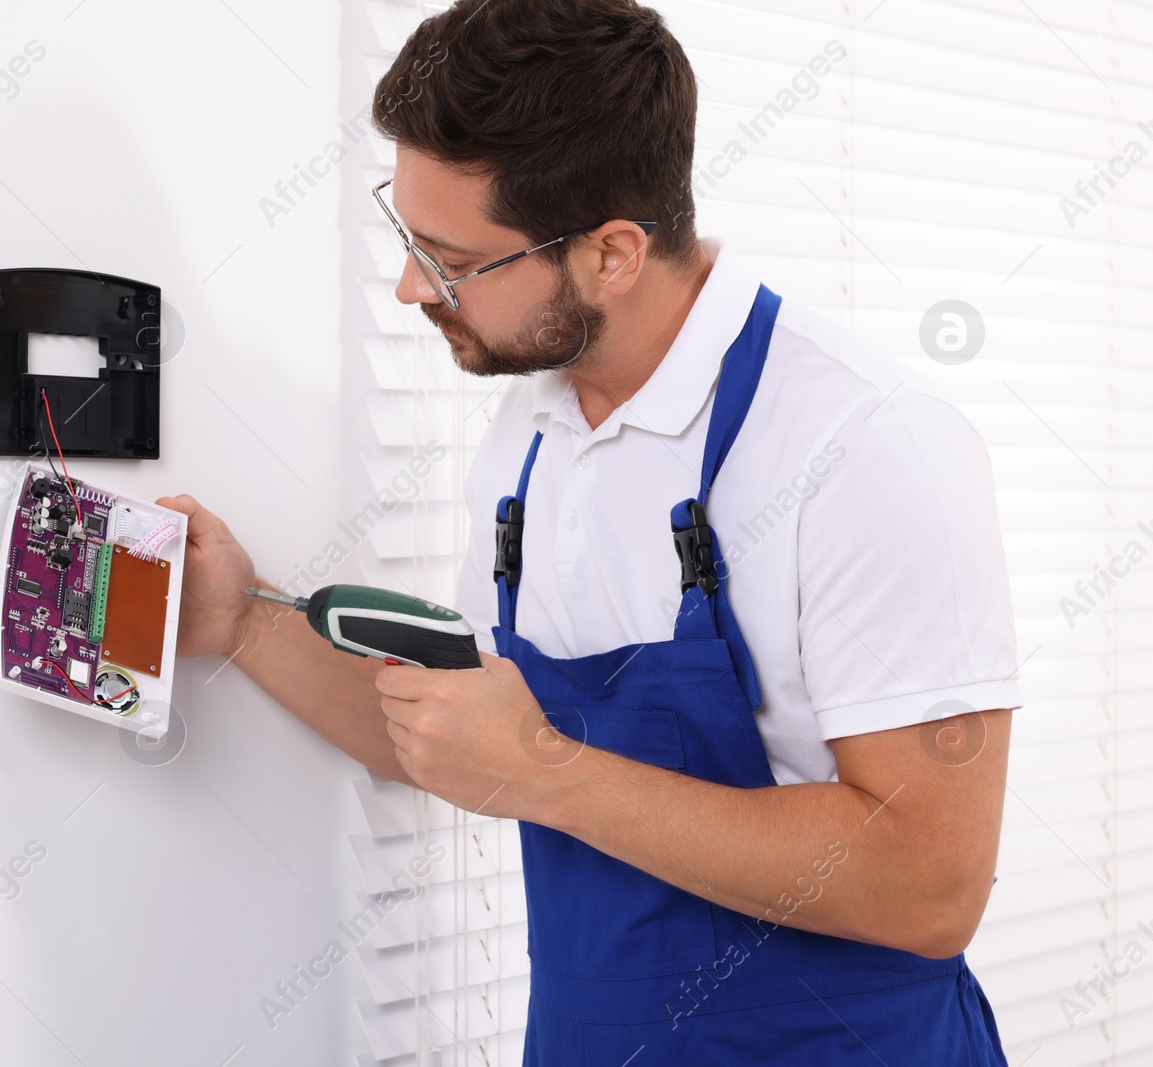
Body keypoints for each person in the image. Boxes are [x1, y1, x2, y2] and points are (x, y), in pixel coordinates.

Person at [159, 0, 1019, 1061]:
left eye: (454, 259)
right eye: (404, 235)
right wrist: (240, 622)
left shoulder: (865, 443)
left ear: (612, 251)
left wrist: (547, 768)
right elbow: (457, 733)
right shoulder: (530, 433)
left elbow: (928, 882)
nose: (407, 286)